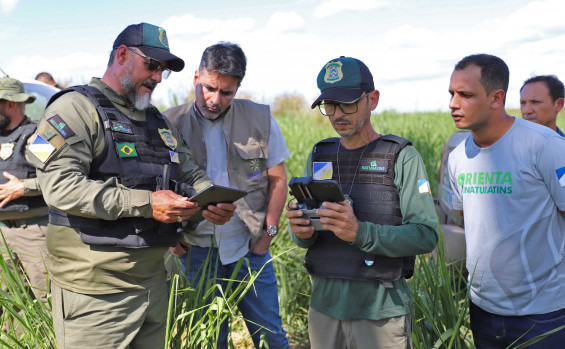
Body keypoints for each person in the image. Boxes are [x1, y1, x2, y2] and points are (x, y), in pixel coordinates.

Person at [25, 23, 235, 348]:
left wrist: (210, 201)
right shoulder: (74, 109)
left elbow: (191, 173)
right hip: (95, 294)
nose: (156, 77)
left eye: (162, 70)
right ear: (122, 55)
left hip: (154, 285)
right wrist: (148, 203)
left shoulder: (159, 122)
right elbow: (61, 187)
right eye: (151, 65)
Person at [286, 56, 438, 349]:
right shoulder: (320, 155)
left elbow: (426, 235)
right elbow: (304, 235)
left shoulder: (402, 157)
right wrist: (301, 231)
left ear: (373, 99)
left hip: (381, 313)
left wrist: (360, 233)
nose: (337, 114)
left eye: (348, 103)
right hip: (324, 308)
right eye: (329, 105)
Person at [163, 42, 290, 349]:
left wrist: (268, 235)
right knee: (208, 339)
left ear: (238, 88)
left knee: (270, 336)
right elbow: (155, 188)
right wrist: (170, 238)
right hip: (194, 251)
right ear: (195, 77)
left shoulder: (259, 119)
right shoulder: (167, 123)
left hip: (249, 249)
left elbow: (278, 180)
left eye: (226, 93)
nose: (215, 100)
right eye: (208, 88)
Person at [447, 54, 565, 348]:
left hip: (543, 314)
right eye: (451, 93)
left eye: (466, 94)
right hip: (482, 309)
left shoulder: (545, 146)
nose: (453, 103)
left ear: (496, 98)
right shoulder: (458, 157)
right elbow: (465, 219)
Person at [0, 77, 50, 304]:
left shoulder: (36, 138)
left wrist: (24, 187)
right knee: (12, 303)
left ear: (10, 104)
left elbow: (62, 177)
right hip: (3, 235)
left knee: (45, 299)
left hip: (33, 234)